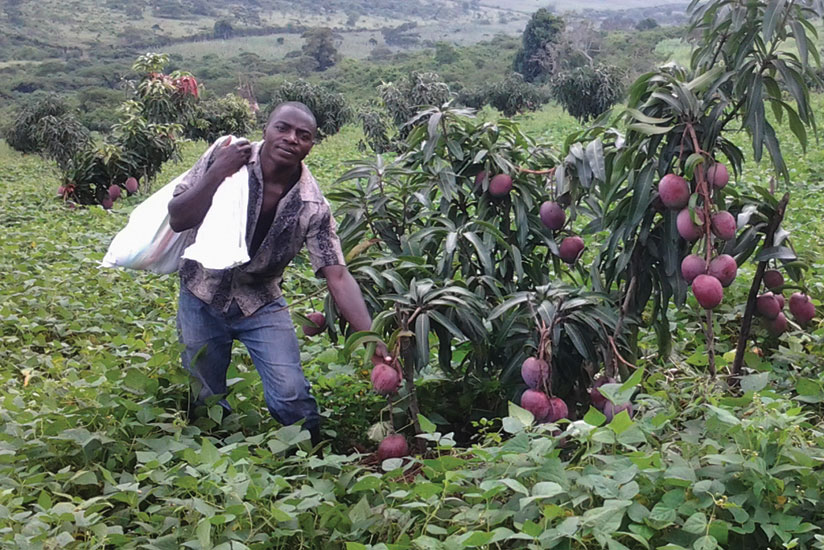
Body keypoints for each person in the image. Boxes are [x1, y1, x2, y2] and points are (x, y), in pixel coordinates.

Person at [168, 101, 389, 446]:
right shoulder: (226, 158)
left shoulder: (312, 205)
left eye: (303, 135)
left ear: (312, 146)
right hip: (201, 292)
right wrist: (217, 173)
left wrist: (370, 337)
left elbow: (337, 274)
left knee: (291, 394)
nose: (291, 139)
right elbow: (179, 217)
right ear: (265, 130)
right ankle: (212, 457)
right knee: (204, 392)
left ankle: (309, 456)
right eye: (282, 128)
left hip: (261, 302)